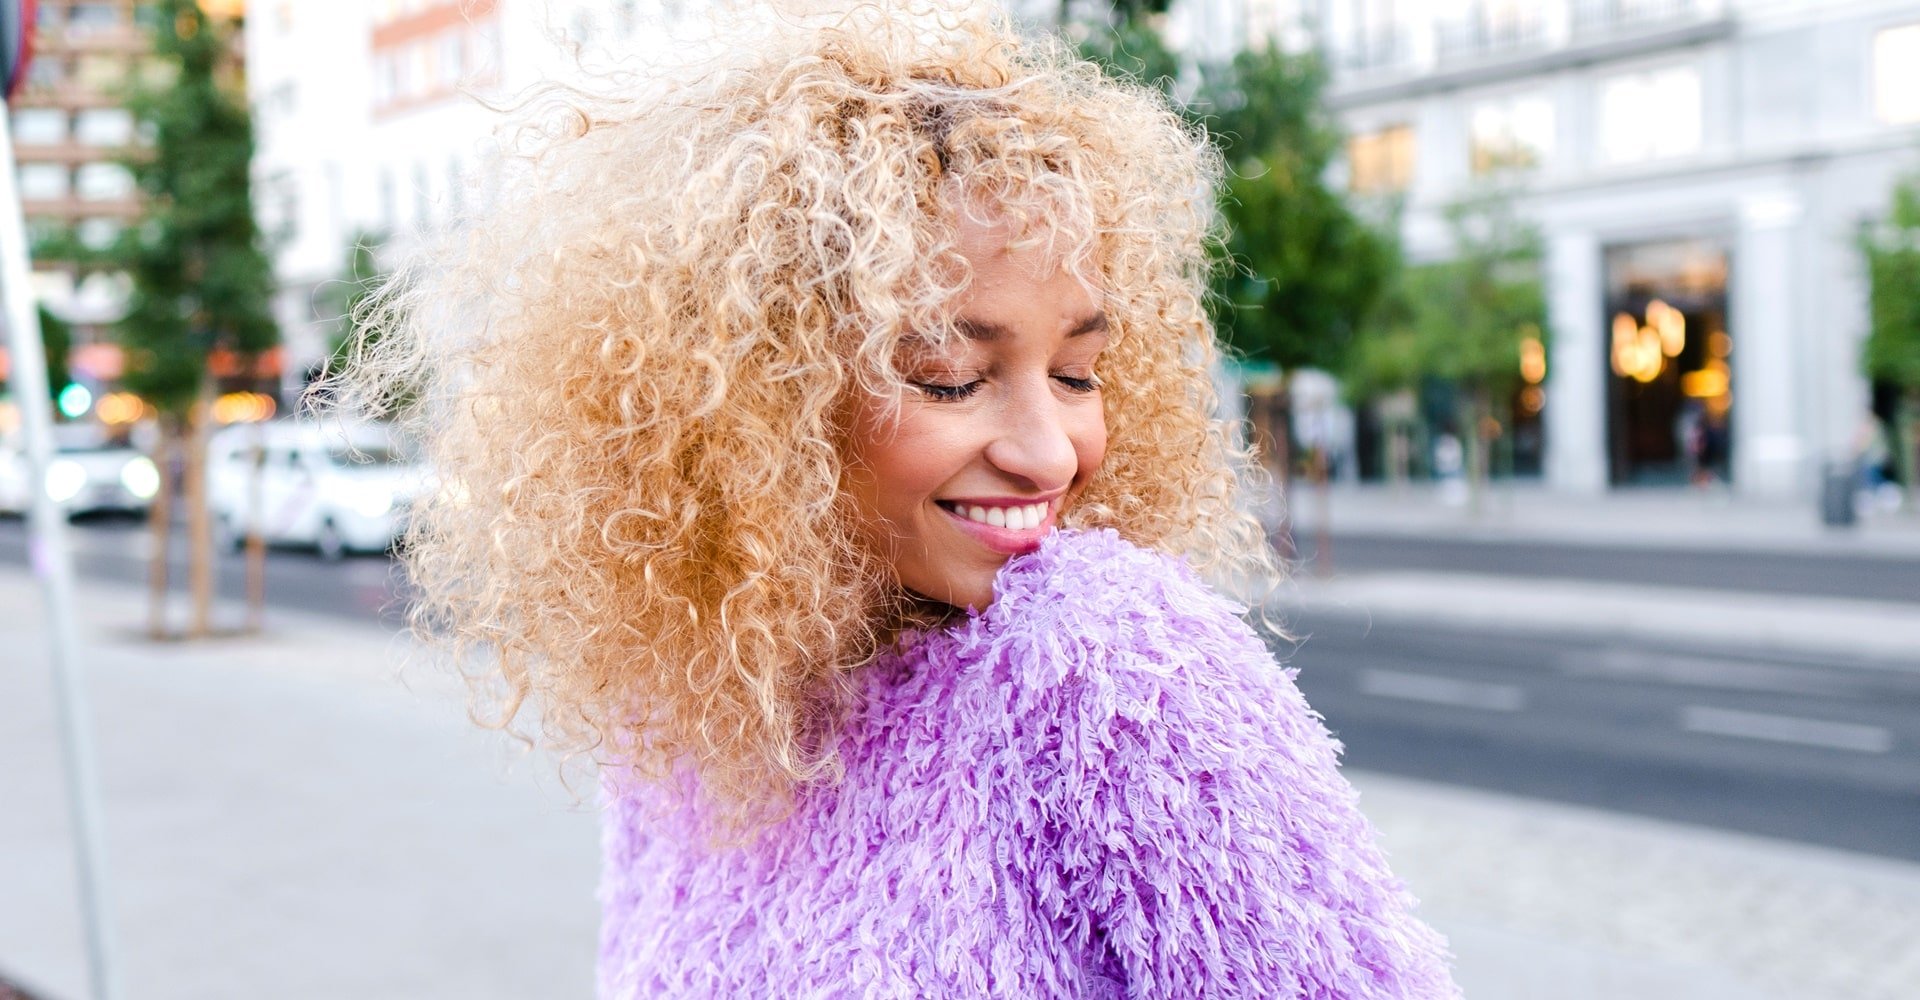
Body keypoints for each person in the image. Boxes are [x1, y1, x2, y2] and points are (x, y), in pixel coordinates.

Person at [331, 2, 1458, 996]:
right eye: (950, 378)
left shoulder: (1110, 665)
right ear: (761, 405)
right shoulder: (691, 701)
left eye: (1079, 372)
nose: (1049, 450)